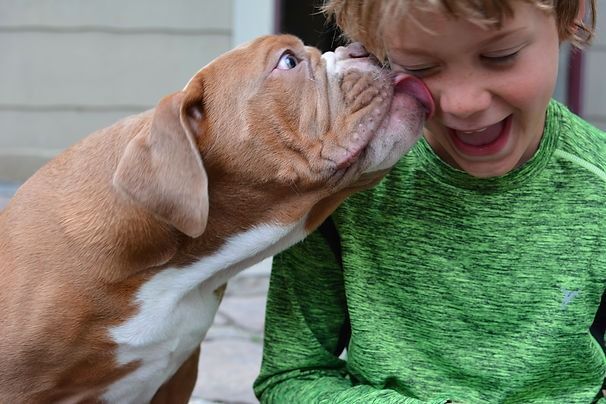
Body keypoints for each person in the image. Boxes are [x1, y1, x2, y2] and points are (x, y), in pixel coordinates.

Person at [254, 0, 605, 402]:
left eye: (500, 56)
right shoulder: (348, 186)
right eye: (419, 67)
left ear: (569, 15)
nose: (463, 103)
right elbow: (290, 375)